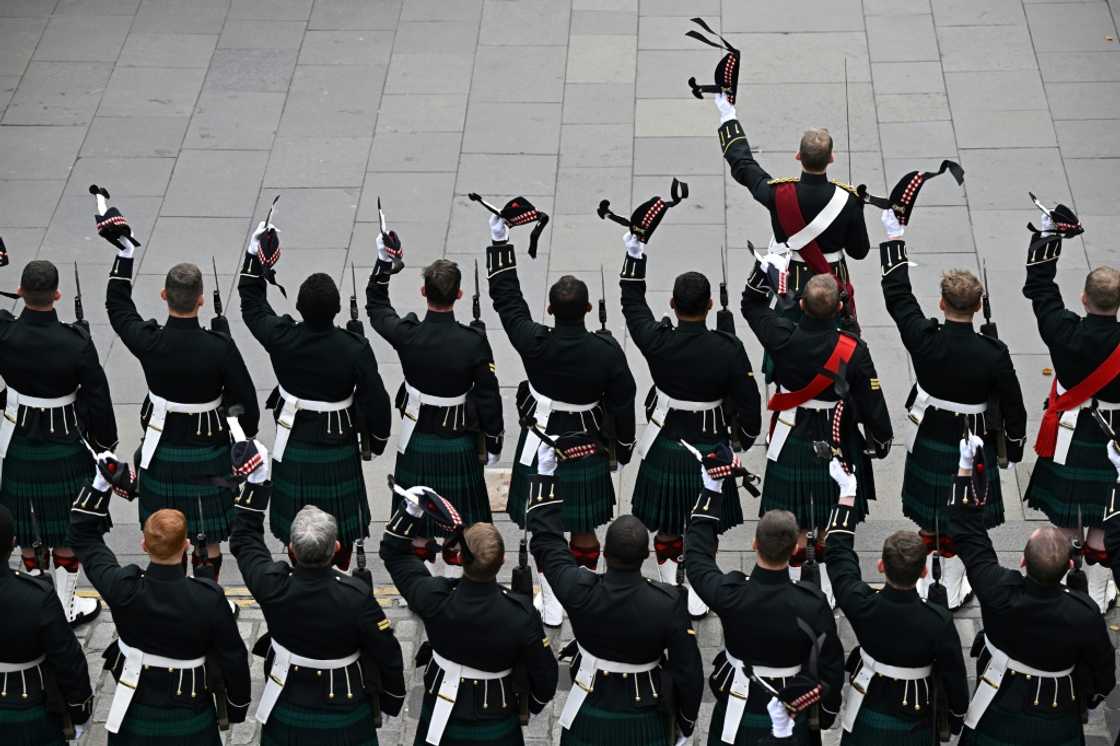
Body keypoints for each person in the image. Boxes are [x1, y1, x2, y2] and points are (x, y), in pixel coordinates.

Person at [486, 213, 637, 626]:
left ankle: (551, 603)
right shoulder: (607, 353)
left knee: (545, 528)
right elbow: (624, 402)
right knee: (584, 525)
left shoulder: (533, 341)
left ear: (550, 309)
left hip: (541, 440)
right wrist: (623, 446)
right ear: (589, 309)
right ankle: (585, 598)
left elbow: (507, 298)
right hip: (585, 443)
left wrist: (500, 241)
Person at [878, 210, 1027, 610]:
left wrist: (894, 238)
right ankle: (958, 576)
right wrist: (1013, 447)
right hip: (973, 439)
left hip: (930, 433)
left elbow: (898, 295)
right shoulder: (993, 352)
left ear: (942, 303)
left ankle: (928, 575)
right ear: (978, 307)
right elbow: (1014, 405)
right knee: (967, 513)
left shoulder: (924, 339)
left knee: (930, 510)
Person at [105, 237, 259, 595]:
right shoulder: (219, 347)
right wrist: (243, 433)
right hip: (208, 451)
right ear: (201, 300)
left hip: (162, 451)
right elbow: (245, 399)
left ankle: (172, 596)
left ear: (164, 296)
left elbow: (118, 308)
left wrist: (124, 255)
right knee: (209, 538)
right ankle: (208, 598)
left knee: (164, 531)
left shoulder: (149, 341)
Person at [620, 230, 761, 618]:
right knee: (705, 524)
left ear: (672, 304)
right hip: (710, 444)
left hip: (667, 441)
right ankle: (700, 591)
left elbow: (631, 302)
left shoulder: (656, 340)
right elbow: (749, 404)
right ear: (711, 304)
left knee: (666, 525)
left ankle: (670, 586)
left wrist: (635, 254)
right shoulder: (727, 348)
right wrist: (744, 440)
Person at [228, 440, 406, 745]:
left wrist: (257, 484)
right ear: (336, 549)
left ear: (292, 550)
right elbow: (387, 652)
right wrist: (391, 700)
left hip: (288, 700)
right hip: (346, 707)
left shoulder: (272, 585)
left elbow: (245, 540)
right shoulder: (356, 596)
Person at [526, 440, 703, 745]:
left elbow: (549, 545)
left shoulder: (579, 589)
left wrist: (545, 475)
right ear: (645, 556)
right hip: (645, 714)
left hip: (588, 708)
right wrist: (685, 723)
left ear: (605, 553)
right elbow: (689, 672)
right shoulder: (670, 602)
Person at [239, 219, 391, 568]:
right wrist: (378, 439)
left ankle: (301, 574)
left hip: (294, 441)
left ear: (300, 308)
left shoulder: (282, 336)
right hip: (338, 443)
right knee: (342, 530)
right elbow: (375, 398)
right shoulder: (353, 347)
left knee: (299, 528)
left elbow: (252, 305)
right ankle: (337, 578)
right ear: (337, 310)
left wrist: (253, 257)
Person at [69, 457, 251, 744]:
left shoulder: (123, 588)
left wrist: (99, 485)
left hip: (136, 710)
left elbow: (84, 540)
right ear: (186, 545)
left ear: (143, 545)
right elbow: (234, 657)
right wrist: (237, 707)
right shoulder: (208, 598)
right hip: (192, 717)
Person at [741, 263, 892, 605]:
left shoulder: (780, 333)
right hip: (836, 430)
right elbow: (871, 399)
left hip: (791, 428)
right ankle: (826, 573)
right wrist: (880, 438)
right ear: (839, 308)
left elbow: (750, 305)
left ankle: (792, 570)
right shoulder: (853, 348)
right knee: (830, 505)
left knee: (791, 513)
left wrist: (762, 268)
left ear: (803, 305)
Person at [950, 435, 1115, 746]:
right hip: (1058, 715)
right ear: (1069, 567)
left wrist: (964, 468)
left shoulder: (998, 588)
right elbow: (1103, 673)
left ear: (1023, 561)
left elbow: (967, 533)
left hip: (997, 705)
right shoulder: (1084, 613)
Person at [684, 447, 843, 745]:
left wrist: (711, 488)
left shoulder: (731, 594)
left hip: (739, 706)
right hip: (792, 708)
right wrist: (827, 712)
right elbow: (830, 665)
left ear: (755, 544)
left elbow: (696, 558)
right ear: (795, 549)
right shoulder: (811, 602)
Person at [379, 483, 558, 745]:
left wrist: (410, 511)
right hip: (497, 712)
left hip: (442, 706)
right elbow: (545, 678)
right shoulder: (520, 614)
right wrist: (530, 704)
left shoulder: (434, 597)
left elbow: (393, 554)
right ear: (502, 562)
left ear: (460, 557)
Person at [367, 234, 503, 577]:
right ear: (458, 296)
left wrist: (384, 265)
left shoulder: (407, 334)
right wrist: (495, 438)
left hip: (417, 437)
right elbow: (488, 394)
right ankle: (454, 579)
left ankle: (423, 586)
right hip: (458, 439)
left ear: (424, 292)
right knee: (458, 521)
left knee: (418, 518)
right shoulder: (472, 342)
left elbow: (377, 307)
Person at [0, 259, 116, 625]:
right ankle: (64, 607)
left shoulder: (4, 333)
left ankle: (32, 601)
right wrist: (105, 442)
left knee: (27, 528)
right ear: (58, 295)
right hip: (65, 439)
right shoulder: (76, 342)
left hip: (16, 437)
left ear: (20, 292)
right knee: (68, 528)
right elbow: (98, 396)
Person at [823, 459, 969, 744]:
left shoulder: (861, 603)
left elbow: (839, 557)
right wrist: (955, 716)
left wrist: (846, 494)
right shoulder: (937, 620)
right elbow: (955, 675)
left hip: (868, 702)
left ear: (881, 566)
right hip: (916, 710)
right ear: (924, 571)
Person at [1022, 206, 1120, 612]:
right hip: (1114, 434)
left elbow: (1040, 288)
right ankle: (1098, 590)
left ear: (1083, 298)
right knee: (1104, 519)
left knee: (1065, 518)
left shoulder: (1063, 329)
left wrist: (1048, 238)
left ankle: (1060, 582)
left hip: (1069, 431)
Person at [715, 93, 868, 329]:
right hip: (832, 279)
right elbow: (859, 251)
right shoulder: (848, 200)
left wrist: (728, 116)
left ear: (798, 157)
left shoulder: (779, 194)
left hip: (794, 281)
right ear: (831, 158)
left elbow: (744, 166)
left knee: (788, 336)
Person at [0, 504, 93, 745]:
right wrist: (79, 710)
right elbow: (67, 660)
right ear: (12, 544)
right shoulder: (37, 596)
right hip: (28, 708)